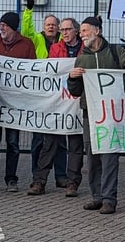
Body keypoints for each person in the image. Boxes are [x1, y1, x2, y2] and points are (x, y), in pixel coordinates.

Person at [67, 16, 125, 215]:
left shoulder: (115, 52)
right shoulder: (82, 58)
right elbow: (76, 92)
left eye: (85, 31)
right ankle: (97, 197)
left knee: (109, 156)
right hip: (90, 114)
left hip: (112, 113)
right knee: (92, 157)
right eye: (81, 31)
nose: (81, 34)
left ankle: (109, 199)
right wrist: (71, 78)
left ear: (97, 31)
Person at [28, 18, 85, 197]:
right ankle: (40, 181)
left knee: (75, 145)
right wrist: (69, 73)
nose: (65, 32)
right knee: (49, 143)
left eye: (68, 29)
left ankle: (72, 183)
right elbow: (52, 71)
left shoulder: (87, 49)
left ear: (76, 31)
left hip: (78, 103)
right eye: (63, 30)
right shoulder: (55, 49)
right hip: (59, 103)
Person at [0, 11, 36, 193]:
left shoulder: (27, 45)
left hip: (15, 104)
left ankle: (11, 179)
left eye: (5, 25)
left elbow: (32, 72)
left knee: (13, 143)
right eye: (1, 25)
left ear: (14, 27)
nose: (1, 28)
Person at [21, 0, 67, 188]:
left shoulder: (64, 42)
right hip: (40, 94)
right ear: (43, 26)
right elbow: (25, 30)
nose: (50, 27)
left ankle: (61, 175)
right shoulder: (37, 39)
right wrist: (28, 10)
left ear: (58, 27)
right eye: (48, 24)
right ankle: (37, 175)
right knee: (39, 139)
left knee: (61, 138)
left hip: (60, 97)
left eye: (53, 24)